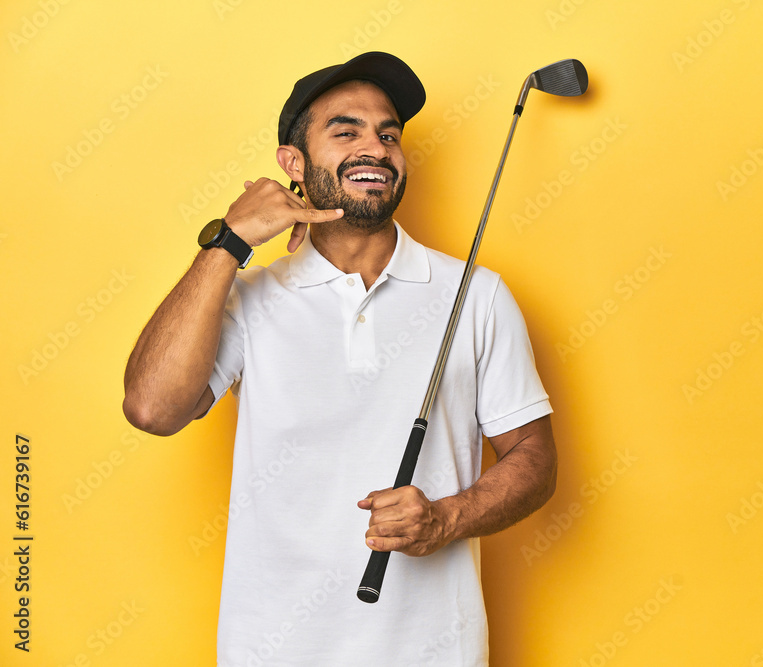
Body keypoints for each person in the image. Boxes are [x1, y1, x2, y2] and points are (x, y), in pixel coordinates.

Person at [122, 51, 556, 665]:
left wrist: (448, 517)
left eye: (388, 134)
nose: (375, 149)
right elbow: (150, 407)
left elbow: (534, 459)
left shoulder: (476, 294)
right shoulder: (247, 299)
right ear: (292, 163)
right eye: (344, 130)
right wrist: (231, 242)